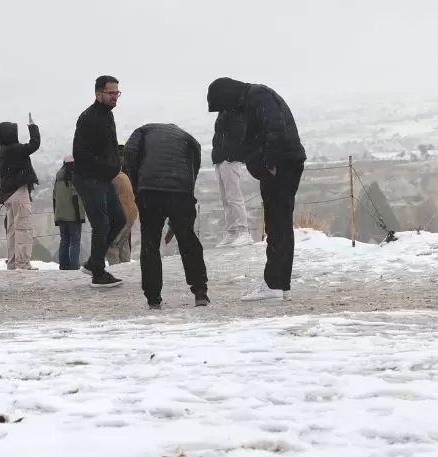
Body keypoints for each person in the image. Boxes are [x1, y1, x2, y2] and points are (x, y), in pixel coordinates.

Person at [207, 78, 307, 302]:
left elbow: (274, 128)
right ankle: (281, 284)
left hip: (281, 166)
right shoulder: (254, 97)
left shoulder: (257, 96)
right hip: (285, 164)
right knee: (281, 225)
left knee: (276, 225)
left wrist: (269, 163)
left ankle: (274, 284)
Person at [123, 123, 209, 309]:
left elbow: (129, 152)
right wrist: (188, 191)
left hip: (149, 191)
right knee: (188, 241)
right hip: (180, 191)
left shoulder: (143, 131)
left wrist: (137, 184)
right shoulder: (186, 135)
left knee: (150, 243)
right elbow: (195, 158)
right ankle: (200, 292)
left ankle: (153, 298)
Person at [72, 75, 126, 288]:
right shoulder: (89, 118)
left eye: (117, 93)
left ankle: (94, 262)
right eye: (111, 93)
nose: (115, 97)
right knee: (101, 224)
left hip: (103, 178)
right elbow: (80, 152)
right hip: (88, 178)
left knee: (119, 219)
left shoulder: (107, 115)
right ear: (98, 94)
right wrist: (105, 167)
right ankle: (98, 273)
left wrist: (115, 164)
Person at [0, 115, 41, 270]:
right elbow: (34, 144)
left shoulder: (1, 151)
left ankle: (13, 262)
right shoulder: (14, 149)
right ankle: (23, 263)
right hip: (19, 192)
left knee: (12, 230)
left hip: (8, 195)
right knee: (24, 228)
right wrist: (33, 127)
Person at [209, 88, 254, 248]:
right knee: (225, 198)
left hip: (230, 159)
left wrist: (230, 155)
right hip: (221, 158)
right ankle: (232, 232)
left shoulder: (236, 113)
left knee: (234, 196)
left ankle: (243, 231)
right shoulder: (223, 113)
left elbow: (239, 136)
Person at [52, 155, 84, 270]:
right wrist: (80, 216)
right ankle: (74, 265)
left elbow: (54, 198)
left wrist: (56, 216)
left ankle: (63, 265)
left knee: (64, 241)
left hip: (60, 215)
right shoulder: (74, 178)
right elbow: (76, 198)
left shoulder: (57, 180)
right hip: (73, 216)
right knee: (75, 241)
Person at [106, 144, 134, 266]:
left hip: (121, 216)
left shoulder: (112, 178)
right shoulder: (124, 176)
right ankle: (126, 269)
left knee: (111, 245)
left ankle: (116, 272)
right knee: (123, 244)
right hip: (131, 214)